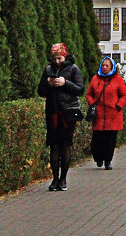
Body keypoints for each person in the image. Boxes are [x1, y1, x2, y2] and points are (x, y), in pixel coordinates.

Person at [37, 42, 84, 191]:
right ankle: (54, 179)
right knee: (53, 146)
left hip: (67, 113)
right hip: (52, 112)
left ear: (65, 56)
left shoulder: (73, 69)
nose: (57, 62)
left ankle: (63, 178)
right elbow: (40, 91)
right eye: (55, 58)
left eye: (60, 58)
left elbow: (80, 90)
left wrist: (65, 83)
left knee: (65, 145)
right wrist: (48, 84)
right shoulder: (48, 69)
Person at [86, 56, 126, 170]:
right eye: (103, 65)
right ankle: (98, 158)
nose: (104, 67)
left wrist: (119, 105)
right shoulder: (95, 79)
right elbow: (89, 94)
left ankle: (108, 161)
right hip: (99, 115)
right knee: (97, 140)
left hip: (113, 115)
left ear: (112, 67)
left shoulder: (118, 79)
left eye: (107, 66)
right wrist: (92, 103)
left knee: (110, 140)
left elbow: (124, 95)